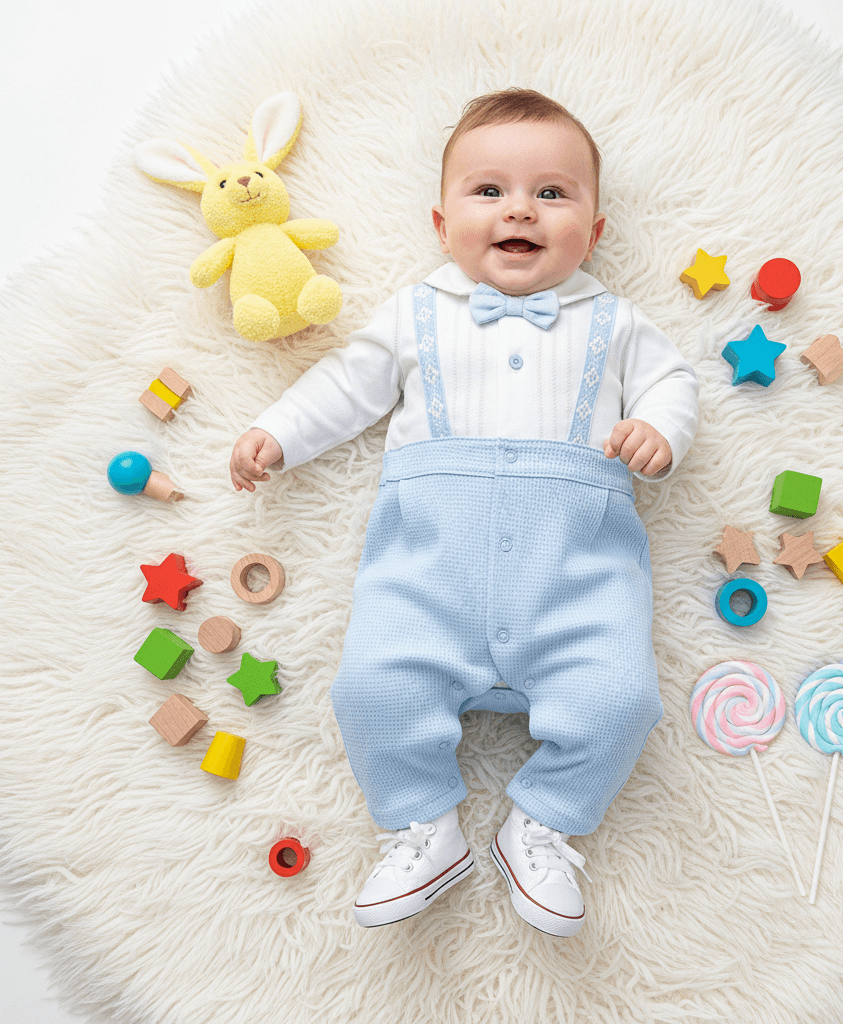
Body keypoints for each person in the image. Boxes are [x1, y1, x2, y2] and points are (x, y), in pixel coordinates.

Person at [229, 88, 699, 936]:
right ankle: (423, 827)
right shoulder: (416, 314)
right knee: (369, 689)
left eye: (552, 193)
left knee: (624, 700)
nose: (520, 208)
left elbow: (673, 380)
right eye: (490, 191)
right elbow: (346, 386)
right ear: (443, 225)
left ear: (594, 232)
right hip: (427, 583)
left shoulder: (616, 322)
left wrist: (660, 429)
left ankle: (544, 823)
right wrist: (278, 433)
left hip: (577, 584)